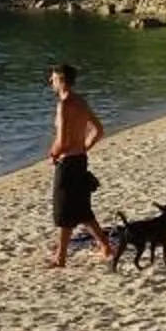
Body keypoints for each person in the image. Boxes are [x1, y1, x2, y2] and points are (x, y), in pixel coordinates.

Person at [45, 64, 116, 268]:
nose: (50, 82)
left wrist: (52, 155)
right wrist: (84, 146)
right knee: (82, 209)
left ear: (61, 80)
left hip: (67, 161)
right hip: (80, 159)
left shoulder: (64, 104)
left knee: (64, 211)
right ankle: (105, 246)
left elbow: (62, 140)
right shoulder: (81, 101)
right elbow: (98, 130)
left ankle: (60, 258)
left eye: (53, 78)